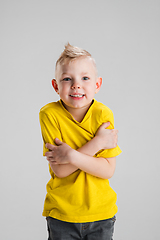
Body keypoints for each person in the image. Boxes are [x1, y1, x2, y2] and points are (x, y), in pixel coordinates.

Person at [39, 43, 122, 240]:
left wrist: (70, 156)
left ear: (97, 84)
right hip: (62, 214)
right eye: (67, 79)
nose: (76, 85)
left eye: (85, 78)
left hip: (101, 214)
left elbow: (107, 170)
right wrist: (97, 143)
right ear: (55, 86)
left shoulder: (103, 114)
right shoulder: (49, 114)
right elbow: (61, 170)